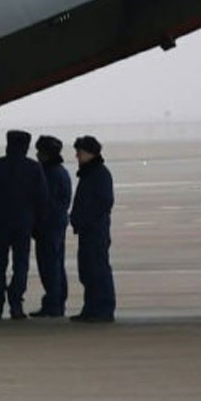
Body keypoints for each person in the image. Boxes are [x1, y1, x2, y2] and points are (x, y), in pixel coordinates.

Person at [0, 130, 48, 320]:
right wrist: (38, 223)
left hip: (0, 224)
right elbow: (41, 199)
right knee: (21, 265)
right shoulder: (33, 168)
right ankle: (16, 302)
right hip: (23, 224)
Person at [69, 136, 115, 323]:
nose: (77, 156)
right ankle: (91, 309)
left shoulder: (99, 173)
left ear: (90, 153)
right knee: (88, 271)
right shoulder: (90, 173)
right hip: (88, 230)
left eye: (80, 153)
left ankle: (103, 309)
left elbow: (104, 202)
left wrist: (86, 220)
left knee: (98, 270)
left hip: (95, 231)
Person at [31, 135, 71, 318]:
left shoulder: (49, 174)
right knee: (56, 265)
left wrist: (37, 223)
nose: (37, 155)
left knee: (49, 267)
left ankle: (54, 304)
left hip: (49, 226)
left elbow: (45, 202)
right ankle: (57, 302)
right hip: (56, 224)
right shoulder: (60, 171)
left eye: (40, 151)